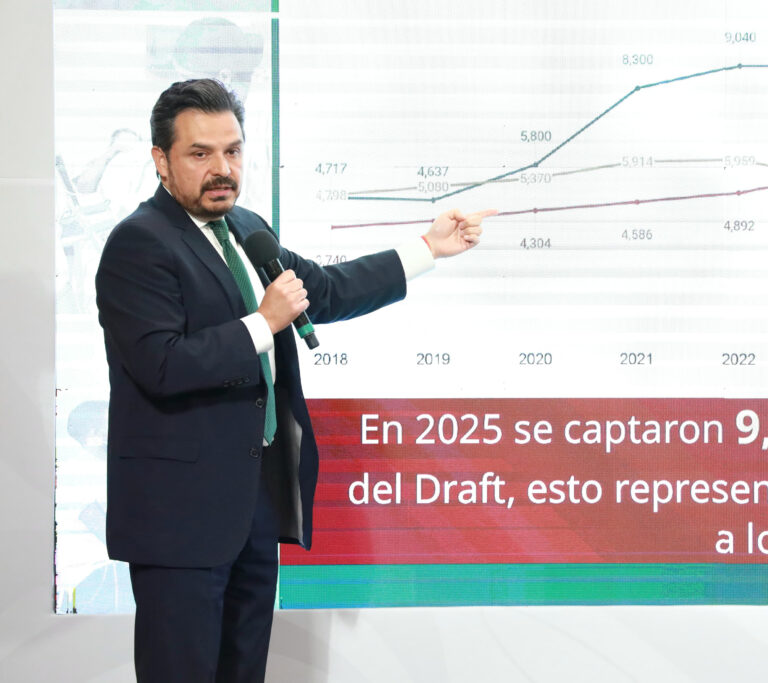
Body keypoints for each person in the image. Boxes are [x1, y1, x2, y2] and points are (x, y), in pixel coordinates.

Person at [95, 78, 495, 682]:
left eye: (232, 151)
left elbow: (323, 290)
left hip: (254, 507)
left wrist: (427, 249)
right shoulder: (139, 243)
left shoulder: (246, 228)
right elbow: (162, 366)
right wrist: (263, 323)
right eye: (200, 153)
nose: (222, 168)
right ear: (161, 160)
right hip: (180, 519)